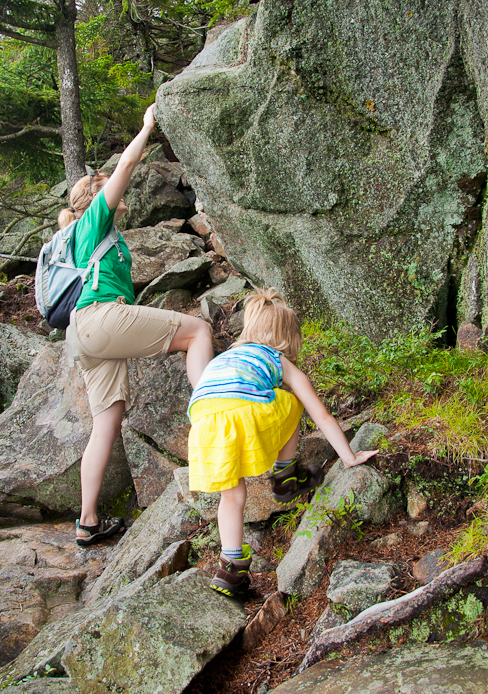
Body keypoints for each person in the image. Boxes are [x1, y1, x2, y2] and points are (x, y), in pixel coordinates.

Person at [59, 103, 213, 547]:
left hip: (84, 335)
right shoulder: (94, 221)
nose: (120, 189)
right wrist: (147, 126)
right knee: (198, 332)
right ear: (97, 197)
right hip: (99, 318)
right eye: (109, 188)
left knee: (106, 422)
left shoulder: (82, 234)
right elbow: (126, 163)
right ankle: (214, 416)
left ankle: (87, 521)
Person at [186, 288, 379, 597]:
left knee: (232, 496)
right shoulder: (276, 358)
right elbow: (322, 415)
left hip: (203, 421)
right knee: (291, 402)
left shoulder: (226, 358)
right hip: (242, 411)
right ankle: (285, 476)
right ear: (288, 338)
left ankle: (231, 571)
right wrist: (349, 456)